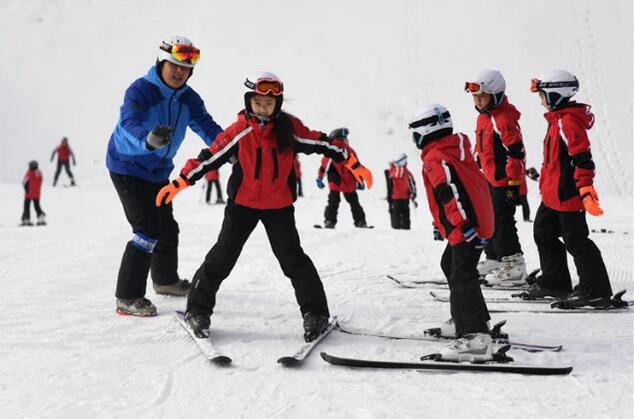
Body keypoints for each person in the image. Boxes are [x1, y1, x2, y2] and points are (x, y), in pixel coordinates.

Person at [155, 71, 373, 341]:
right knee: (221, 258)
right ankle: (198, 310)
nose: (263, 109)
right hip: (242, 205)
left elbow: (324, 143)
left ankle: (315, 313)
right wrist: (180, 182)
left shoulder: (289, 129)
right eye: (258, 103)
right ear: (249, 102)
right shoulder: (240, 131)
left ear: (277, 105)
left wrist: (353, 163)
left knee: (294, 260)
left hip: (278, 206)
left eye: (269, 104)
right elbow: (209, 157)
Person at [106, 36, 223, 317]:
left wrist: (230, 148)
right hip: (128, 167)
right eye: (174, 65)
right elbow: (127, 123)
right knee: (147, 229)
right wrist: (147, 139)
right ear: (162, 62)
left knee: (167, 228)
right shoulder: (141, 91)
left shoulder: (188, 98)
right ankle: (127, 297)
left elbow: (206, 126)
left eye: (185, 68)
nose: (179, 72)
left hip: (158, 170)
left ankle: (165, 281)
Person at [408, 103, 493, 362]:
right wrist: (443, 224)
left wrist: (463, 226)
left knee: (462, 275)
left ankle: (475, 337)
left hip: (467, 225)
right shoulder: (453, 149)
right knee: (451, 265)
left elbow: (449, 195)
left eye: (415, 132)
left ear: (427, 131)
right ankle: (466, 320)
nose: (414, 138)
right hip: (473, 221)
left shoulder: (436, 158)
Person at [524, 70, 613, 307]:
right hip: (552, 196)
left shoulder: (568, 122)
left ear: (556, 94)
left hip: (569, 195)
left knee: (576, 241)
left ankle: (595, 290)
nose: (541, 100)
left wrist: (585, 190)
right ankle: (555, 281)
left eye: (542, 95)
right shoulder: (557, 120)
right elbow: (554, 163)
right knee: (543, 233)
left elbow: (582, 159)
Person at [464, 70, 528, 285]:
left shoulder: (503, 119)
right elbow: (480, 150)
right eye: (475, 96)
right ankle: (494, 258)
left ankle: (514, 265)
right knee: (488, 220)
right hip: (488, 179)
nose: (478, 101)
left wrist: (512, 185)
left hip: (504, 181)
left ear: (497, 95)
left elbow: (516, 153)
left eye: (483, 96)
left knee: (503, 220)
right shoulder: (483, 118)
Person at [316, 128, 369, 228]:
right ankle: (331, 221)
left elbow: (356, 167)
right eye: (345, 138)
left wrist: (360, 181)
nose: (346, 141)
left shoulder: (348, 150)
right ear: (339, 139)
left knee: (350, 201)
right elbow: (325, 165)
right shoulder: (336, 150)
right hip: (336, 179)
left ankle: (358, 221)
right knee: (337, 201)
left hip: (346, 180)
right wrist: (320, 178)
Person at [385, 153, 417, 229]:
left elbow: (389, 185)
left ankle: (396, 226)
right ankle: (406, 227)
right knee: (406, 213)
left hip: (395, 198)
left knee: (396, 213)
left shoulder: (391, 172)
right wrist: (413, 195)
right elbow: (412, 185)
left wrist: (388, 196)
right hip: (405, 198)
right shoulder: (407, 173)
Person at [21, 160, 46, 226]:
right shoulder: (39, 173)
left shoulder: (29, 173)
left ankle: (26, 219)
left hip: (29, 193)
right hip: (37, 193)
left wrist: (26, 189)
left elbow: (24, 182)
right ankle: (41, 216)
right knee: (36, 206)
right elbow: (39, 182)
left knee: (26, 206)